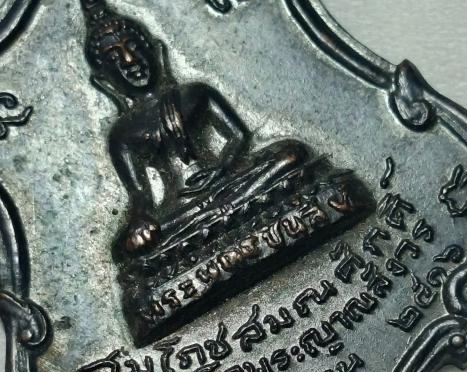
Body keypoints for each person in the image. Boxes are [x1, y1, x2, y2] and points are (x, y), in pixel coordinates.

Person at [81, 0, 310, 254]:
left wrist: (222, 167)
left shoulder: (195, 93)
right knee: (134, 246)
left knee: (291, 155)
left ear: (156, 51)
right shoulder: (122, 135)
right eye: (114, 57)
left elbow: (238, 137)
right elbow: (140, 195)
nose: (130, 60)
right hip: (183, 208)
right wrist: (140, 222)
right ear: (104, 81)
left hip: (231, 181)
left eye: (134, 47)